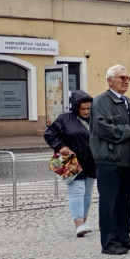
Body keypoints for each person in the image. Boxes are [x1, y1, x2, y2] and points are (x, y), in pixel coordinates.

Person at [90, 65, 130, 255]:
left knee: (125, 201)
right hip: (109, 158)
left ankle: (124, 236)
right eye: (122, 77)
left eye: (128, 78)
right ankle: (109, 242)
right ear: (110, 80)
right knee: (109, 201)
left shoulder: (129, 102)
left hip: (128, 157)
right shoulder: (100, 102)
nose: (126, 81)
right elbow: (103, 129)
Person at [44, 90, 96, 237]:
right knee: (77, 190)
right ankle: (78, 224)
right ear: (75, 107)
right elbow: (49, 134)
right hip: (72, 161)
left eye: (88, 109)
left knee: (87, 193)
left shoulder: (95, 119)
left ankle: (84, 222)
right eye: (83, 109)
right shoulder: (64, 119)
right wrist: (61, 146)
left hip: (92, 160)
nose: (86, 112)